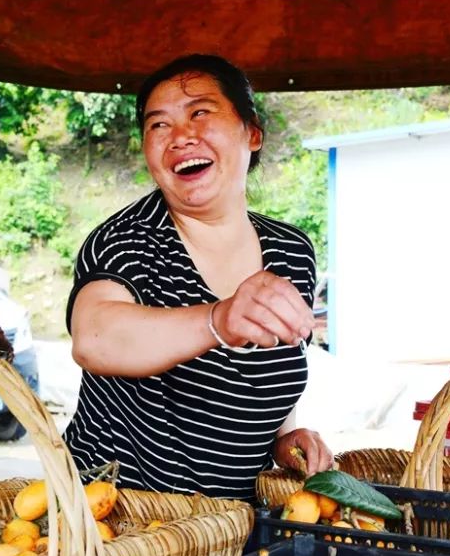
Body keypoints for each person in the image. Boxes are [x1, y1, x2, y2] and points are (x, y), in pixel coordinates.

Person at [63, 54, 334, 501]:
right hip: (122, 527)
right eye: (159, 126)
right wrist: (217, 320)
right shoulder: (128, 241)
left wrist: (286, 435)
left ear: (251, 132)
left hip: (234, 529)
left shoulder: (291, 252)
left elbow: (271, 367)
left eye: (200, 114)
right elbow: (94, 338)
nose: (181, 138)